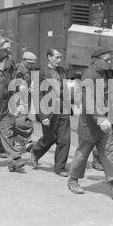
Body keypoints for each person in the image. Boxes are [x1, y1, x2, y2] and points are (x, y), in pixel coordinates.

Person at [67, 47, 113, 196]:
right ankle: (73, 180)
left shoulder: (106, 72)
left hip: (105, 121)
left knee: (109, 152)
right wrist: (100, 119)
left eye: (111, 59)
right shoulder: (88, 76)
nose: (110, 62)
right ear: (96, 61)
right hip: (91, 124)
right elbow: (88, 102)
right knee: (82, 154)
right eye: (107, 60)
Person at [30, 48, 70, 177]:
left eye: (60, 58)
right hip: (48, 111)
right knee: (49, 138)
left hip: (62, 109)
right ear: (49, 57)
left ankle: (60, 167)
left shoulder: (62, 71)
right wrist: (43, 116)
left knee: (64, 140)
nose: (59, 60)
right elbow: (37, 96)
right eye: (56, 57)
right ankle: (35, 152)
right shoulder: (41, 73)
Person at [13, 51, 38, 153]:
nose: (32, 64)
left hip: (26, 99)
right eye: (29, 62)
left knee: (23, 119)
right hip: (17, 98)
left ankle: (23, 140)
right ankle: (21, 141)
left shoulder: (32, 70)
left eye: (33, 62)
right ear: (24, 61)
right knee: (17, 120)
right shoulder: (17, 69)